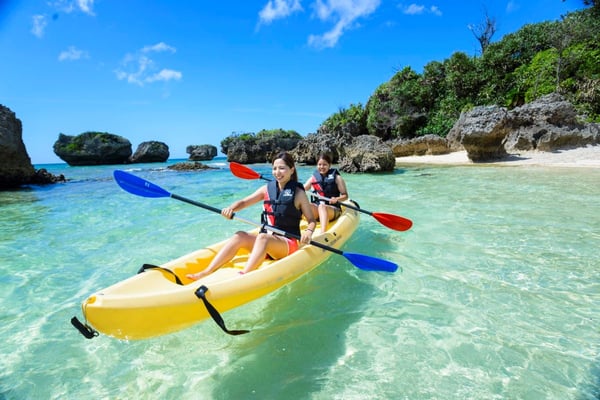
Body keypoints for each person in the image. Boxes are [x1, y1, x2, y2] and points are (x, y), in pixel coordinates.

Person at [187, 152, 316, 280]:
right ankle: (206, 272)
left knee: (262, 238)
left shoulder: (299, 194)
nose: (277, 172)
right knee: (239, 236)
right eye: (274, 168)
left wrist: (309, 232)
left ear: (292, 170)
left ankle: (244, 276)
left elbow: (311, 220)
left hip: (287, 243)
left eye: (282, 168)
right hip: (267, 243)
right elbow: (243, 202)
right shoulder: (267, 189)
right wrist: (230, 209)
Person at [303, 153, 349, 234]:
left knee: (322, 207)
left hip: (333, 209)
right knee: (306, 205)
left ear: (329, 165)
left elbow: (345, 196)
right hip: (318, 210)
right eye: (319, 164)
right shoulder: (313, 178)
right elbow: (302, 190)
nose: (322, 167)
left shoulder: (337, 178)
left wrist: (336, 199)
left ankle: (323, 233)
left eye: (324, 164)